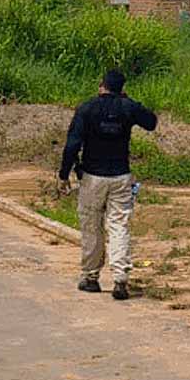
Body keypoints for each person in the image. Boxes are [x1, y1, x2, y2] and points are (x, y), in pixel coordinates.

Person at [59, 69, 158, 300]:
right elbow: (151, 122)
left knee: (92, 227)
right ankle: (120, 277)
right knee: (118, 225)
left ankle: (91, 277)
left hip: (92, 177)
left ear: (101, 85)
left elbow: (72, 144)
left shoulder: (87, 108)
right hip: (121, 177)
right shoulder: (127, 107)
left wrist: (64, 174)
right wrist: (127, 101)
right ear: (122, 88)